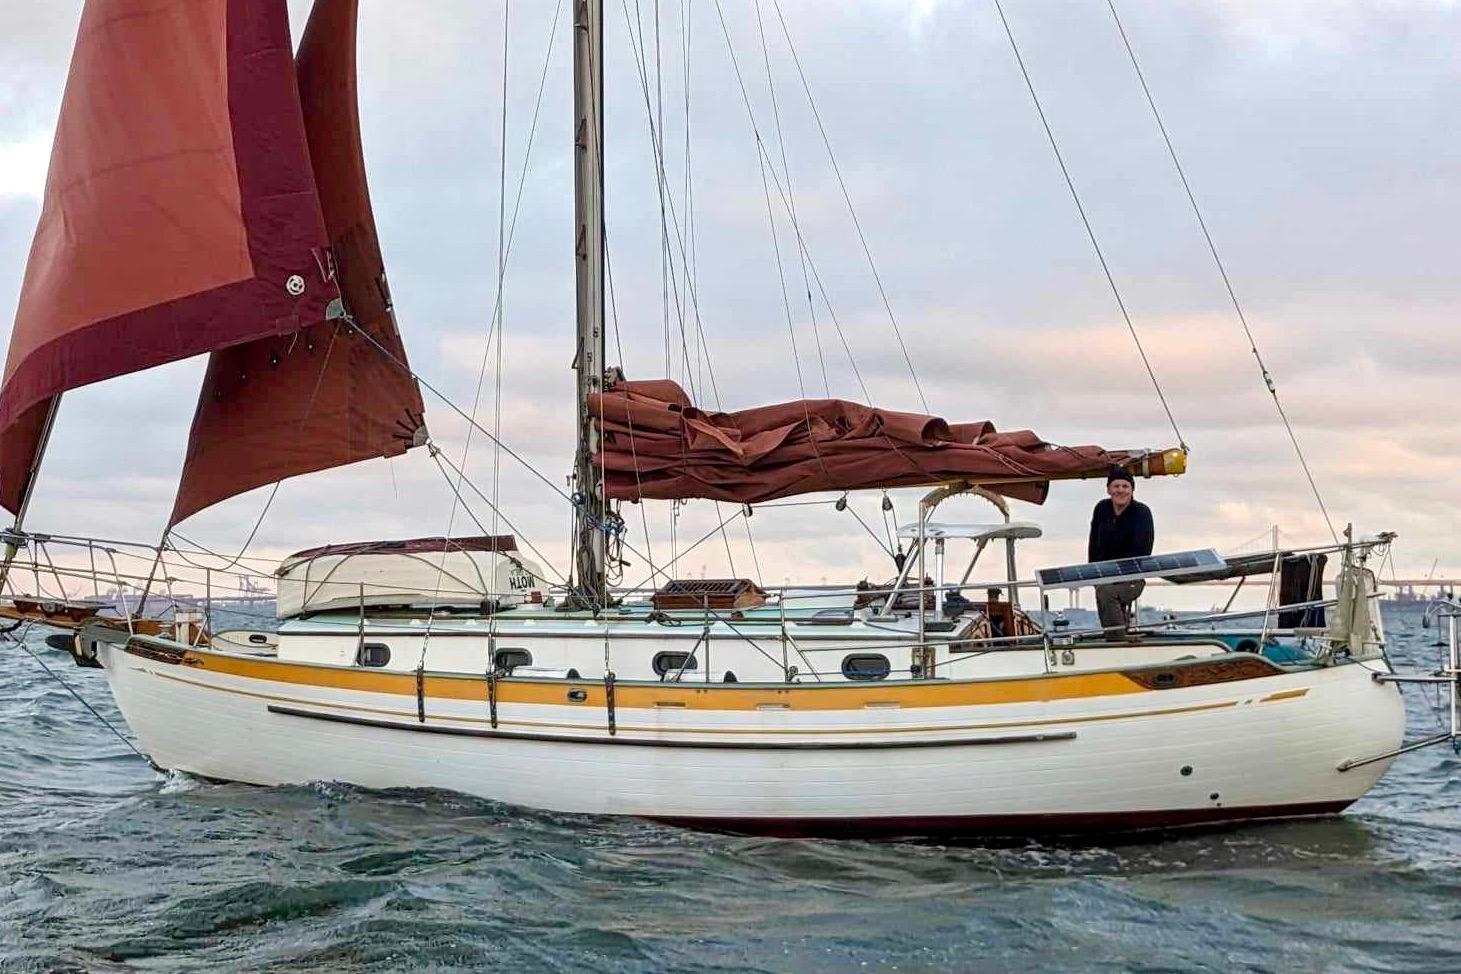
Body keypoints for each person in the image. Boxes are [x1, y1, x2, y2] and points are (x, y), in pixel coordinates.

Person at [1088, 467, 1154, 636]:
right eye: (1116, 486)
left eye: (1125, 486)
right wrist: (1093, 572)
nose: (1120, 490)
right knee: (1102, 589)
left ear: (1132, 490)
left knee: (1106, 592)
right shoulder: (1101, 509)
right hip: (1104, 575)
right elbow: (1094, 544)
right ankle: (1115, 634)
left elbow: (1143, 550)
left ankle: (1116, 641)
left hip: (1133, 577)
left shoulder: (1142, 513)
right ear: (1109, 489)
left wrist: (1118, 573)